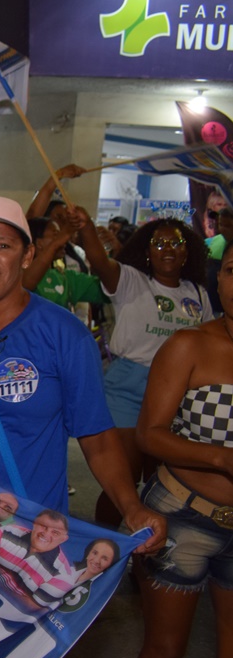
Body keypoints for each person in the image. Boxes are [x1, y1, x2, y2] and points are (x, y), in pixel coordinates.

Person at [0, 195, 166, 658]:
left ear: (27, 255)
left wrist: (130, 507)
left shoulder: (64, 334)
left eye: (2, 245)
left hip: (27, 534)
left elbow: (97, 437)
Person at [130, 243, 233, 658]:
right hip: (182, 516)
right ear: (218, 279)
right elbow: (149, 433)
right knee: (165, 651)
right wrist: (220, 457)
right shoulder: (190, 344)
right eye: (232, 270)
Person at [73, 213, 213, 528]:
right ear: (147, 251)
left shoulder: (198, 293)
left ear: (187, 251)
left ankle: (152, 550)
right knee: (123, 480)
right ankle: (105, 546)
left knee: (161, 481)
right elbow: (99, 260)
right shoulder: (131, 281)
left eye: (175, 243)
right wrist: (86, 228)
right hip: (127, 388)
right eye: (159, 243)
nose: (167, 249)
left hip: (176, 393)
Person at [0, 510, 74, 609]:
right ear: (34, 524)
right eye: (43, 526)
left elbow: (33, 607)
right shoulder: (7, 531)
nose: (46, 534)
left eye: (55, 533)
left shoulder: (63, 576)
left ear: (63, 539)